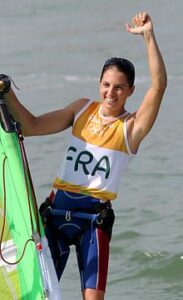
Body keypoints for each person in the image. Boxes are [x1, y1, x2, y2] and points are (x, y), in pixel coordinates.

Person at [0, 12, 167, 300]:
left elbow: (159, 86)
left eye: (118, 87)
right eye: (106, 84)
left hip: (93, 221)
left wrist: (148, 36)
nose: (110, 92)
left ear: (130, 91)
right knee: (35, 292)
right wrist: (7, 92)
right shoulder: (81, 109)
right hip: (55, 215)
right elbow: (33, 126)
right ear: (99, 83)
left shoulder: (131, 128)